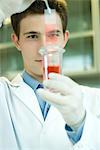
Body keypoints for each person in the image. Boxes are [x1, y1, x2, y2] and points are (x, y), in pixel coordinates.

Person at [0, 0, 100, 149]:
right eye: (32, 36)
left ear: (64, 38)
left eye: (53, 34)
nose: (44, 47)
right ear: (17, 41)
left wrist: (81, 125)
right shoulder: (3, 96)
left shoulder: (95, 100)